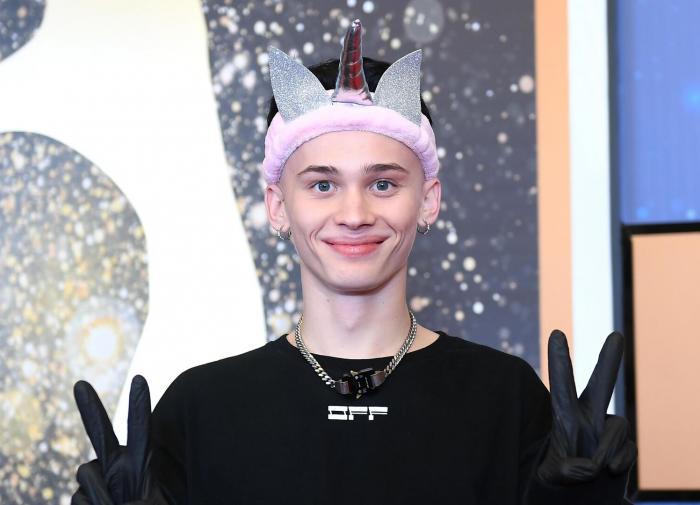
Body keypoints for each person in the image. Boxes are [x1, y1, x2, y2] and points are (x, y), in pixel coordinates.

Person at [71, 19, 636, 505]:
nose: (354, 214)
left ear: (428, 201)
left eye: (383, 183)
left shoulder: (505, 397)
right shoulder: (200, 408)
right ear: (277, 206)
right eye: (322, 184)